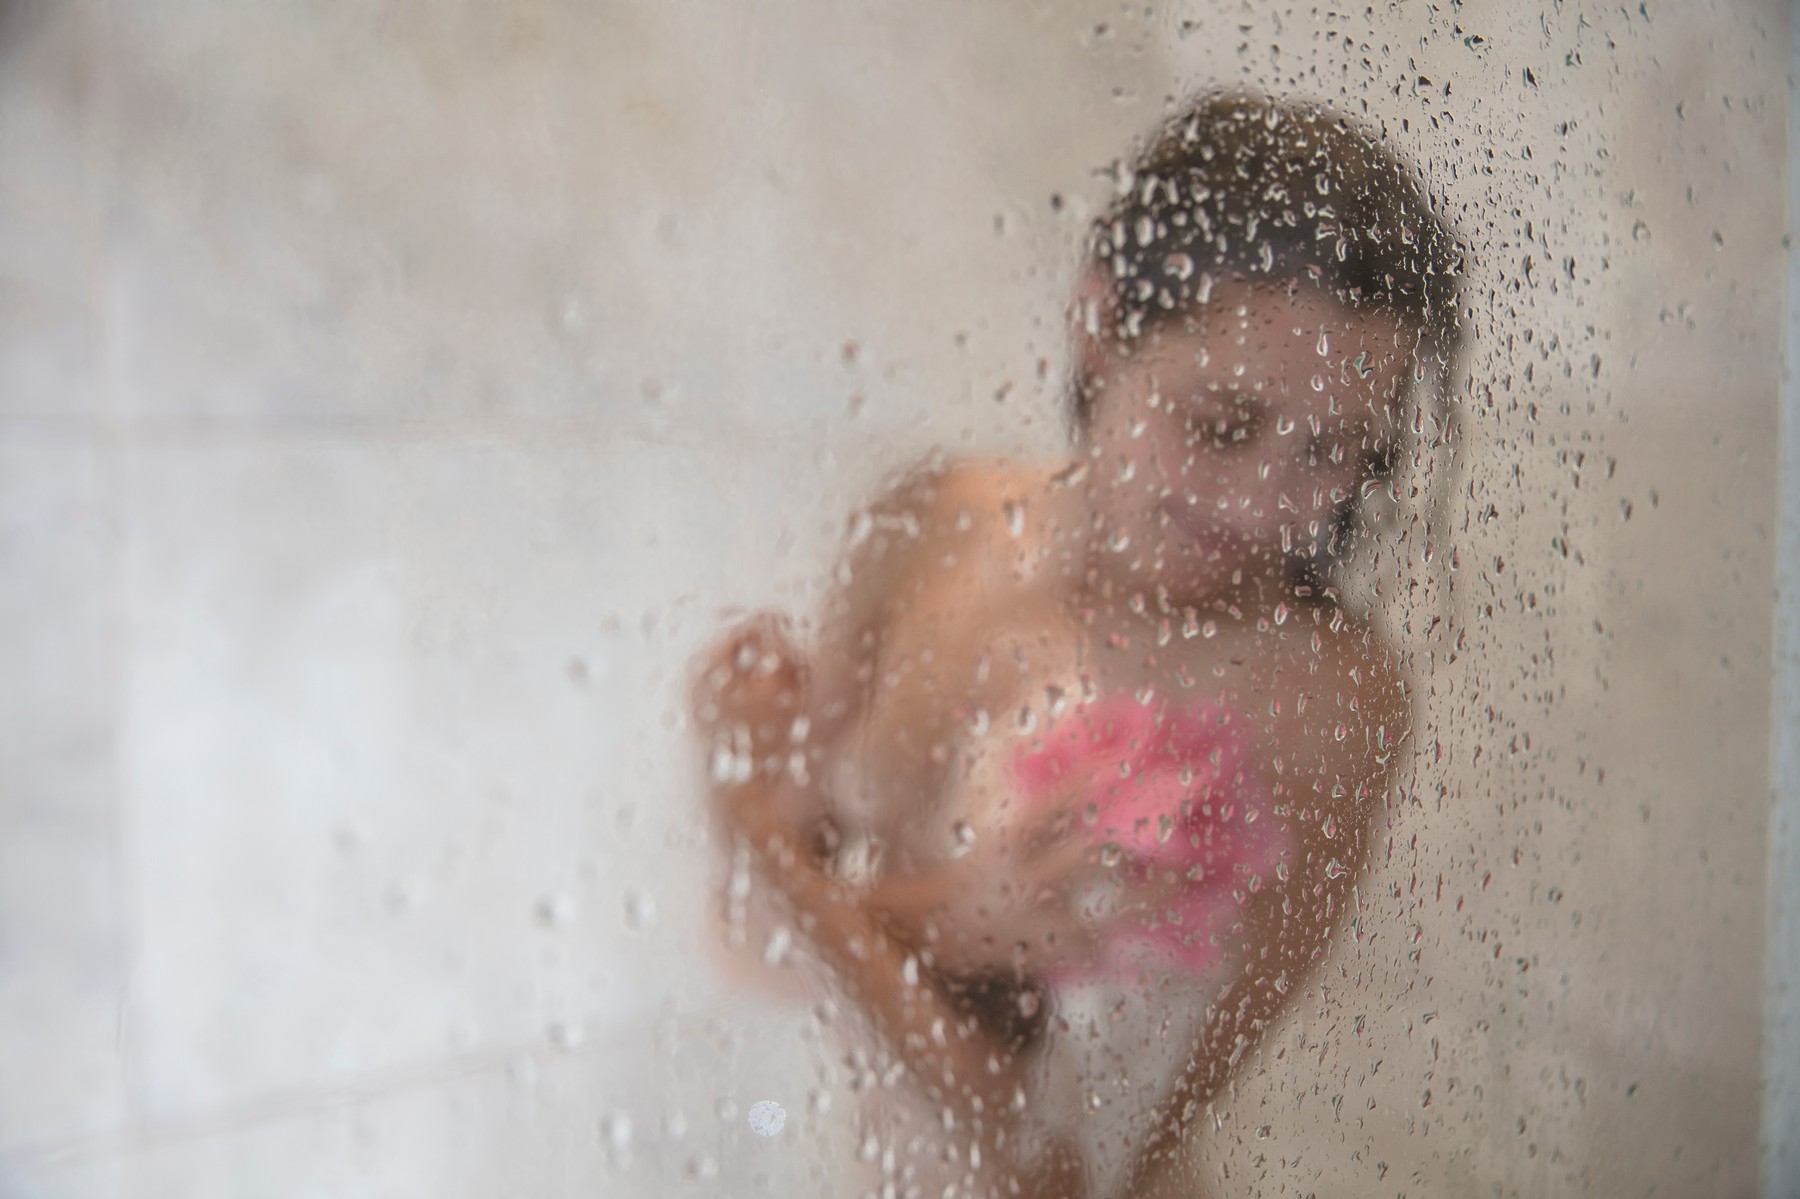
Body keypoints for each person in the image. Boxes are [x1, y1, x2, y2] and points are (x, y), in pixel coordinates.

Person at [691, 89, 1464, 1198]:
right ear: (1098, 326)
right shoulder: (932, 524)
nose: (1267, 504)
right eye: (1222, 425)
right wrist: (928, 904)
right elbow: (746, 951)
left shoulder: (1322, 696)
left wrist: (760, 823)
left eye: (1337, 452)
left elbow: (1073, 1151)